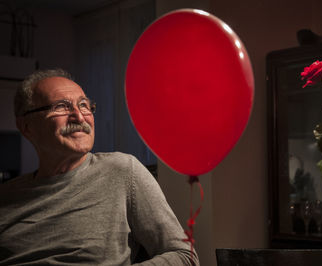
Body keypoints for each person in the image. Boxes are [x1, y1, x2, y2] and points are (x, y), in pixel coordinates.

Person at [0, 69, 199, 265]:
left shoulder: (122, 171)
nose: (79, 117)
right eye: (61, 106)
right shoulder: (6, 196)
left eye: (84, 105)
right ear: (26, 126)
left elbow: (184, 256)